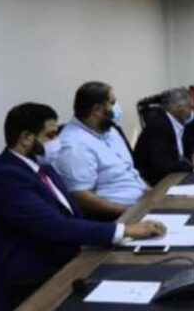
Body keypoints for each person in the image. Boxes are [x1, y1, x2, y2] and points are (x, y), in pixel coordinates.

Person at [0, 103, 165, 311]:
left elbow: (72, 215)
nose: (57, 142)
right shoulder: (5, 178)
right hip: (35, 276)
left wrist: (117, 234)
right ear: (26, 138)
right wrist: (124, 230)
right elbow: (54, 226)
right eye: (51, 135)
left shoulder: (42, 167)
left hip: (63, 254)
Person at [54, 82, 148, 220]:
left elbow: (129, 171)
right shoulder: (74, 146)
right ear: (97, 110)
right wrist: (130, 212)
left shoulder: (109, 130)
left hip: (142, 203)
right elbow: (81, 197)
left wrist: (154, 196)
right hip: (116, 217)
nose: (117, 107)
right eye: (113, 103)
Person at [134, 88, 194, 186]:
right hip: (155, 183)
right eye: (191, 108)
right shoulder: (159, 127)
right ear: (180, 110)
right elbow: (163, 165)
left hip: (173, 176)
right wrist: (193, 165)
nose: (193, 112)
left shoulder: (178, 123)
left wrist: (190, 158)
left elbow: (178, 153)